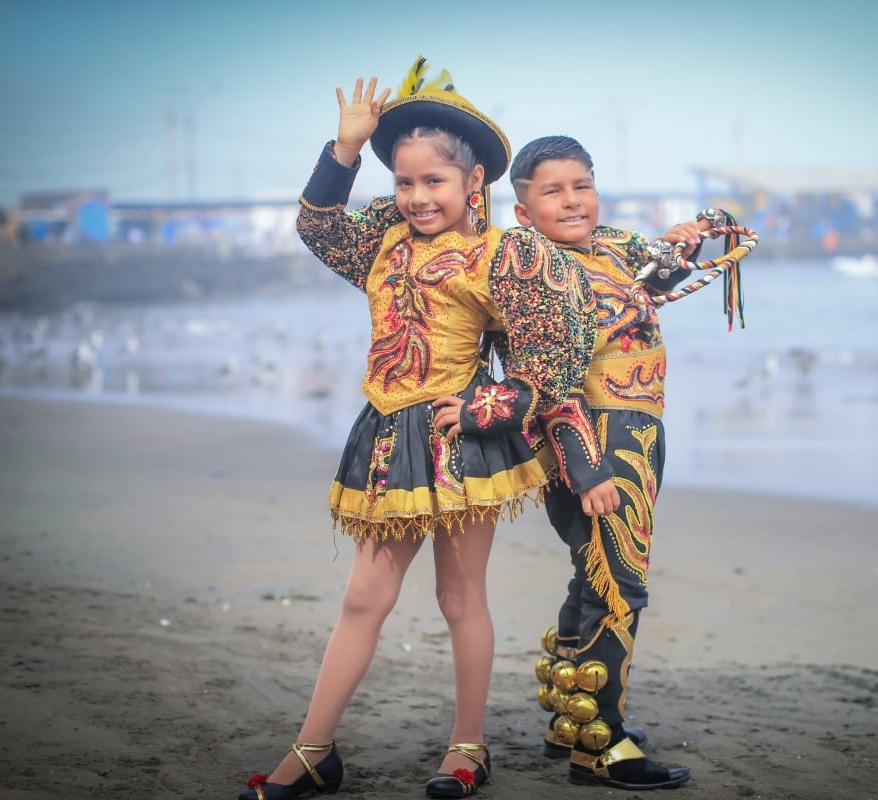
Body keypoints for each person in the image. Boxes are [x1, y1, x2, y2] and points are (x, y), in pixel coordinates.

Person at [238, 60, 614, 800]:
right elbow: (317, 227)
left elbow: (557, 350)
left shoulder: (504, 254)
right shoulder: (379, 242)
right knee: (361, 601)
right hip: (385, 437)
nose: (416, 197)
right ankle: (313, 751)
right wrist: (343, 150)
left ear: (474, 184)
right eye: (405, 183)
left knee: (459, 598)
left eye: (434, 182)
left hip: (459, 443)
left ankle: (466, 750)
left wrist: (494, 408)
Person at [511, 135, 719, 791]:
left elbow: (651, 288)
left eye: (582, 185)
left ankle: (571, 720)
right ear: (522, 211)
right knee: (618, 582)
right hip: (597, 436)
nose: (572, 200)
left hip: (636, 424)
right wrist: (586, 467)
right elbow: (546, 377)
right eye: (553, 190)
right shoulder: (534, 272)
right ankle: (601, 744)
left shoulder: (612, 246)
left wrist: (683, 247)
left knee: (590, 574)